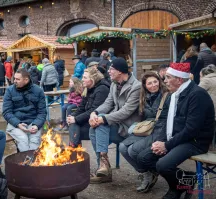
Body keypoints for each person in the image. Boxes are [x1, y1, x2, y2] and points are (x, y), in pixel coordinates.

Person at [137, 63, 215, 199]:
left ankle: (176, 188)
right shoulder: (174, 94)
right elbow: (167, 121)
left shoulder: (197, 95)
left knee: (163, 165)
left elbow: (191, 130)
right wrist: (160, 141)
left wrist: (166, 145)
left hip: (195, 141)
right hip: (178, 137)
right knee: (144, 158)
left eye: (167, 77)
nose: (164, 81)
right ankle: (187, 180)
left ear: (179, 79)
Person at [89, 57, 141, 183]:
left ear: (120, 72)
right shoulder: (114, 84)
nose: (109, 72)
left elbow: (126, 111)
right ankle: (103, 166)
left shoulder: (136, 87)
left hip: (131, 129)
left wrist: (104, 118)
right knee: (94, 128)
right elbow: (108, 103)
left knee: (100, 125)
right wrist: (95, 113)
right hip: (118, 126)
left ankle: (104, 168)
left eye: (111, 69)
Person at [119, 71, 170, 193]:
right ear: (145, 85)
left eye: (155, 82)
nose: (153, 85)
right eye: (149, 83)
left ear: (159, 81)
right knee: (122, 147)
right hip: (147, 129)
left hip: (160, 130)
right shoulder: (143, 96)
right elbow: (140, 117)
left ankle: (150, 173)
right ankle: (146, 173)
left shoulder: (167, 95)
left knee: (132, 150)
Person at [3, 68, 47, 152]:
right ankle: (26, 162)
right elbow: (6, 112)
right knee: (23, 140)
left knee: (34, 142)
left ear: (26, 80)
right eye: (14, 78)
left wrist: (36, 125)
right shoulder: (9, 91)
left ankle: (31, 163)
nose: (14, 81)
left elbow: (42, 112)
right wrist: (18, 124)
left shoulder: (38, 91)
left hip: (33, 122)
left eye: (17, 79)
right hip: (15, 124)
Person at [68, 67, 110, 148]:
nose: (82, 79)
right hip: (88, 120)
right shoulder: (88, 88)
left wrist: (76, 119)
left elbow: (94, 110)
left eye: (85, 77)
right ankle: (75, 150)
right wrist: (73, 117)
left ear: (92, 79)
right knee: (72, 123)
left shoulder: (102, 89)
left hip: (98, 123)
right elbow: (81, 107)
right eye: (83, 77)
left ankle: (74, 150)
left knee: (74, 128)